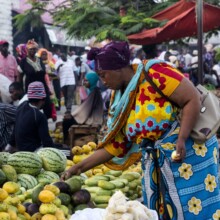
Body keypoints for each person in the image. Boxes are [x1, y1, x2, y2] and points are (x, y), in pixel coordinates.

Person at [62, 41, 220, 220]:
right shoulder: (120, 97)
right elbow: (116, 144)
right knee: (164, 212)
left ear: (119, 68)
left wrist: (182, 139)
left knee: (194, 209)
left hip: (190, 154)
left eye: (104, 75)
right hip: (158, 162)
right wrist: (78, 167)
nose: (103, 81)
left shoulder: (154, 72)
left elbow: (191, 98)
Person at [6, 81, 54, 152]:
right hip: (33, 153)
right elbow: (47, 142)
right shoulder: (40, 116)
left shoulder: (21, 107)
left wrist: (8, 148)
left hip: (20, 150)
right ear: (43, 100)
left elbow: (15, 131)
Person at [62, 71, 104, 142]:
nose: (84, 82)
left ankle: (66, 141)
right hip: (88, 115)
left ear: (92, 81)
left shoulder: (94, 92)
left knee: (66, 122)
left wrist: (72, 115)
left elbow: (85, 108)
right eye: (84, 80)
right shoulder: (92, 90)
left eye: (86, 80)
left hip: (92, 118)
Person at [18, 39, 52, 119]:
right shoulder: (23, 61)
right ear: (27, 50)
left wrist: (48, 88)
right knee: (32, 108)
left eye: (34, 49)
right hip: (30, 89)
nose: (33, 51)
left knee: (46, 106)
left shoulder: (39, 60)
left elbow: (44, 73)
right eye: (31, 49)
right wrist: (20, 90)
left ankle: (44, 124)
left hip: (42, 87)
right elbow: (19, 75)